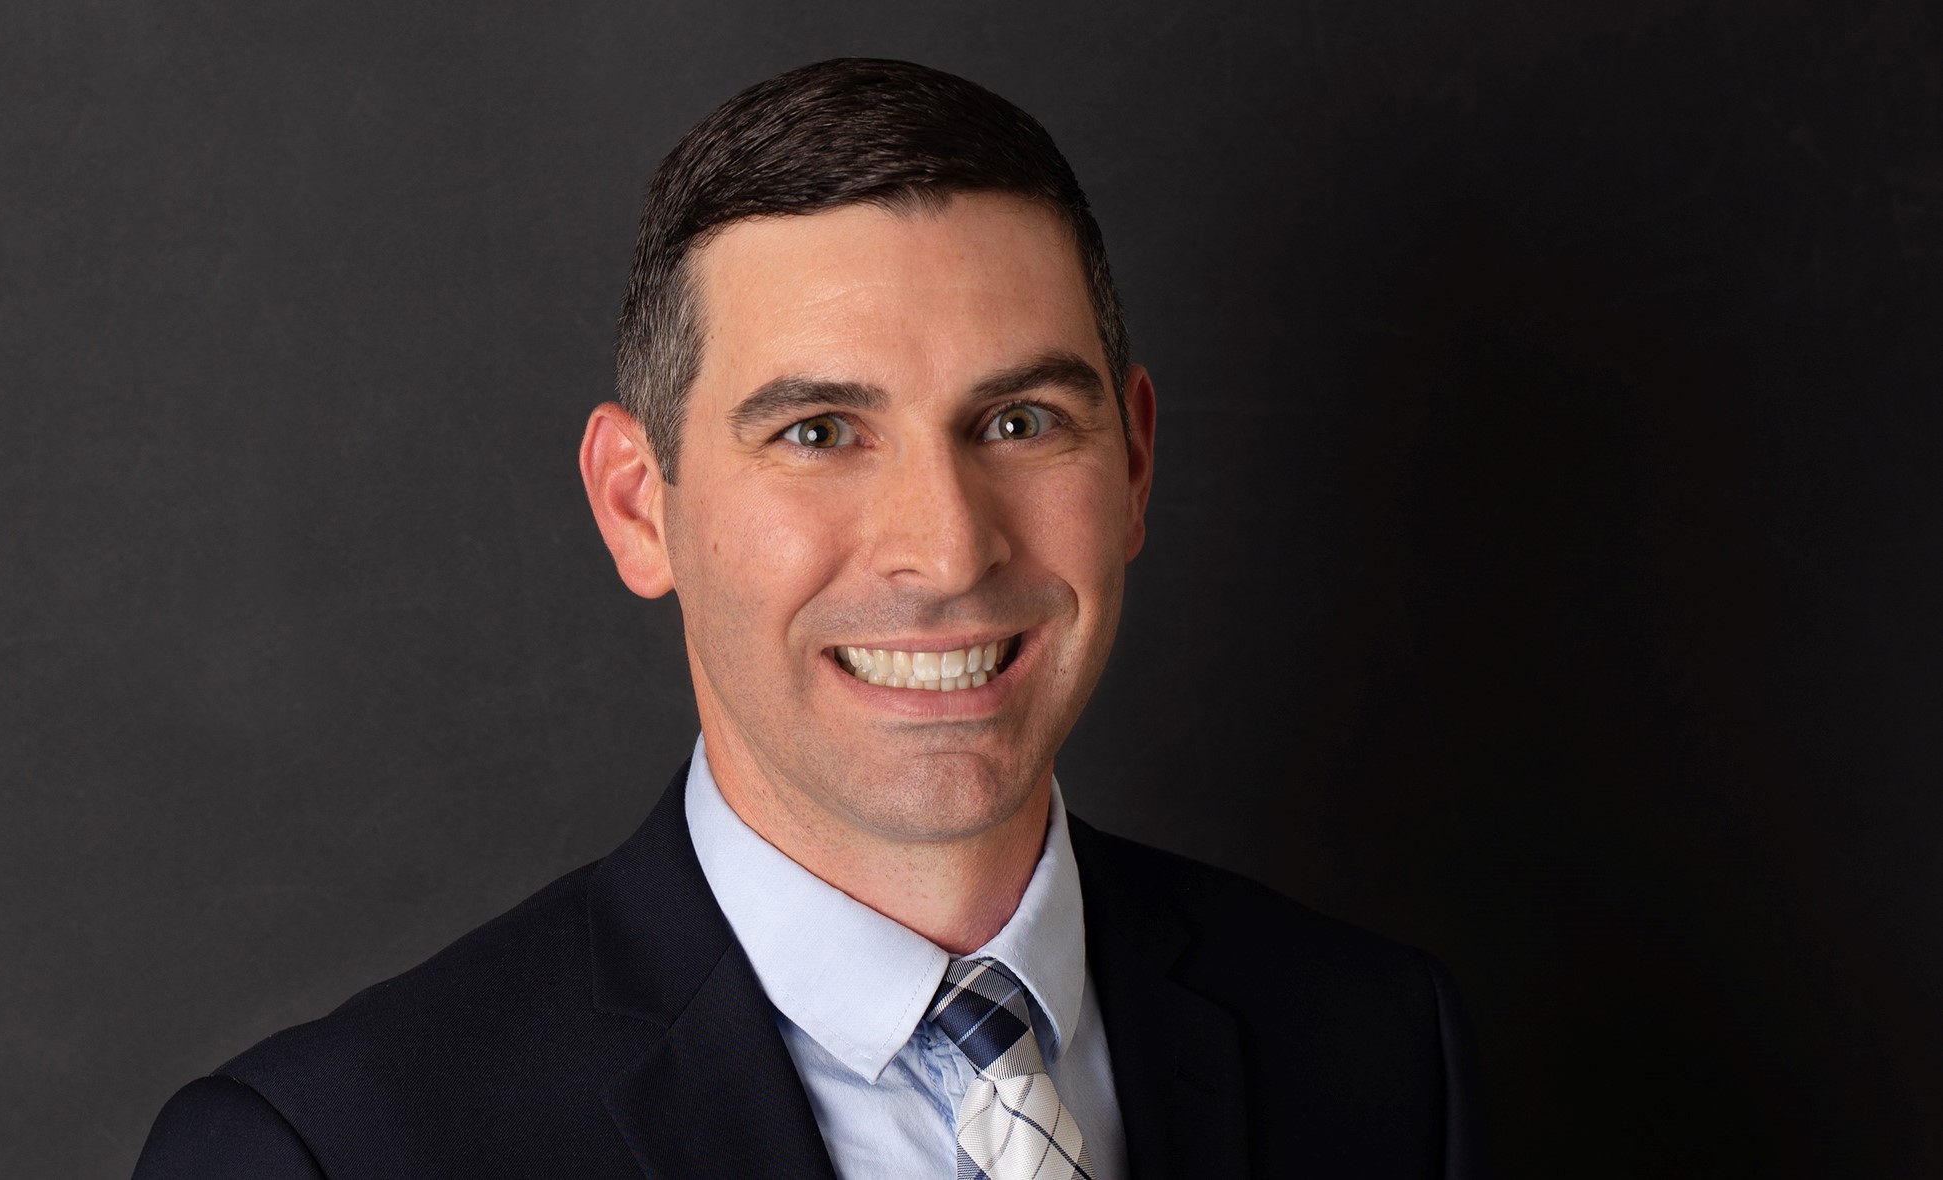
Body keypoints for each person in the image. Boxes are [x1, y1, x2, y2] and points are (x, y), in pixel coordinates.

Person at [134, 57, 1488, 1179]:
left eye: (1019, 422)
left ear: (1131, 464)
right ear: (635, 505)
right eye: (821, 430)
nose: (946, 547)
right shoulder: (335, 1153)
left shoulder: (1371, 1051)